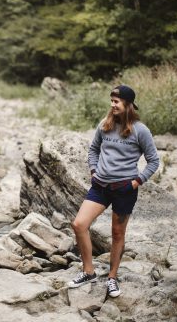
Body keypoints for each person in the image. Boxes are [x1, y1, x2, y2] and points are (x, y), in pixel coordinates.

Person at [68, 85, 159, 297]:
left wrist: (136, 182)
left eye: (116, 101)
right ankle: (88, 271)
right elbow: (93, 150)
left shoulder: (140, 130)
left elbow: (153, 161)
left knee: (117, 234)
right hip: (100, 186)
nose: (112, 105)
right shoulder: (105, 124)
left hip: (124, 189)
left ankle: (112, 278)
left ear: (128, 104)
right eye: (111, 100)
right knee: (79, 224)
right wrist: (93, 170)